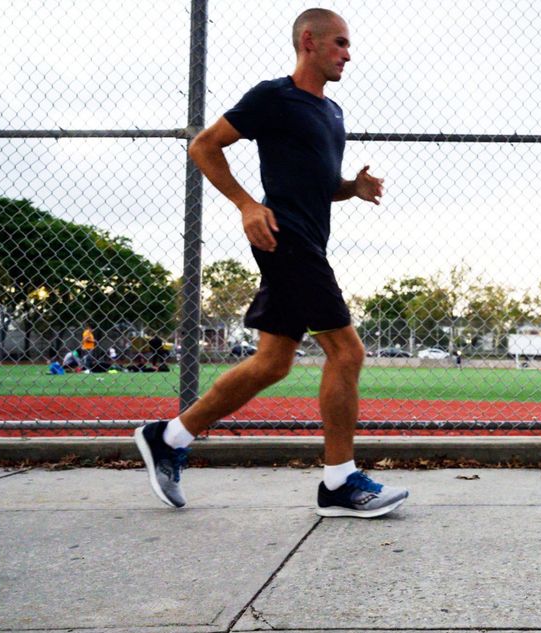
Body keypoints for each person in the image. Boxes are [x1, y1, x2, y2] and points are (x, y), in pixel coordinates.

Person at [134, 9, 407, 517]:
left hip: (310, 241)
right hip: (285, 238)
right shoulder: (273, 96)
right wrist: (245, 204)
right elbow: (205, 145)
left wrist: (353, 188)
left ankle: (168, 436)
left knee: (273, 362)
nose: (349, 54)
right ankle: (339, 483)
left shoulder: (333, 113)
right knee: (347, 352)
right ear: (309, 41)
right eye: (340, 44)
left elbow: (322, 185)